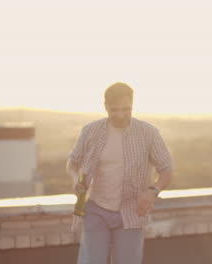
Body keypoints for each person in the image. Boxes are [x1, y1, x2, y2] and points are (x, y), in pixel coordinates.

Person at [66, 82, 173, 264]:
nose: (121, 115)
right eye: (115, 110)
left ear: (132, 105)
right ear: (106, 106)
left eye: (126, 109)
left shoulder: (149, 133)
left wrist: (152, 191)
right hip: (95, 210)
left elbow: (167, 170)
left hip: (132, 211)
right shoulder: (90, 131)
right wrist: (75, 178)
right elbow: (73, 163)